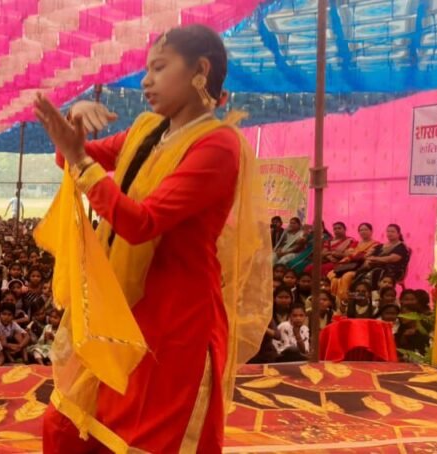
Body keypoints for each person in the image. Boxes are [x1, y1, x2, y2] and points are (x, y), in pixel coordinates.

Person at [34, 24, 271, 453]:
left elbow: (141, 223)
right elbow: (72, 158)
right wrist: (73, 124)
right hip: (125, 306)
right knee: (68, 423)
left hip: (176, 321)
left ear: (200, 70)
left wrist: (79, 158)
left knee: (147, 438)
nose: (146, 80)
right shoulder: (147, 130)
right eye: (147, 69)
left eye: (159, 68)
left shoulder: (219, 146)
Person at [328, 223, 381, 301]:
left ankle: (344, 299)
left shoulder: (376, 244)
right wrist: (343, 262)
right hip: (349, 265)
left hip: (360, 267)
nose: (363, 231)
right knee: (332, 274)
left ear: (371, 231)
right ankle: (334, 299)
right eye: (361, 230)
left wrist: (354, 255)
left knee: (346, 276)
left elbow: (365, 256)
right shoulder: (356, 243)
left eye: (365, 229)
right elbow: (348, 254)